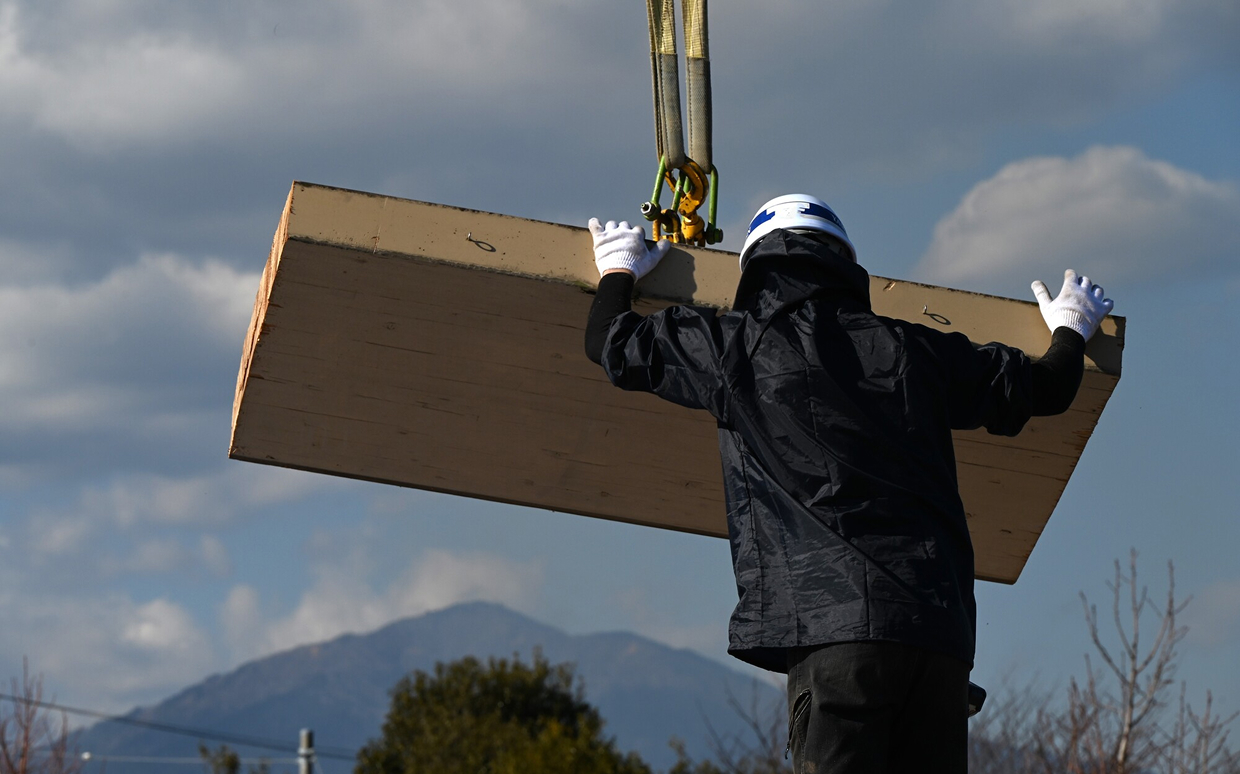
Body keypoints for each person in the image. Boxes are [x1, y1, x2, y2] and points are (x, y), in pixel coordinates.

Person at [583, 194, 1114, 774]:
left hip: (836, 633)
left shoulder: (736, 346)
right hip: (938, 640)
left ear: (757, 269)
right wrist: (1070, 328)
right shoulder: (915, 351)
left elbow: (610, 341)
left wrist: (617, 266)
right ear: (844, 264)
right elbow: (1043, 389)